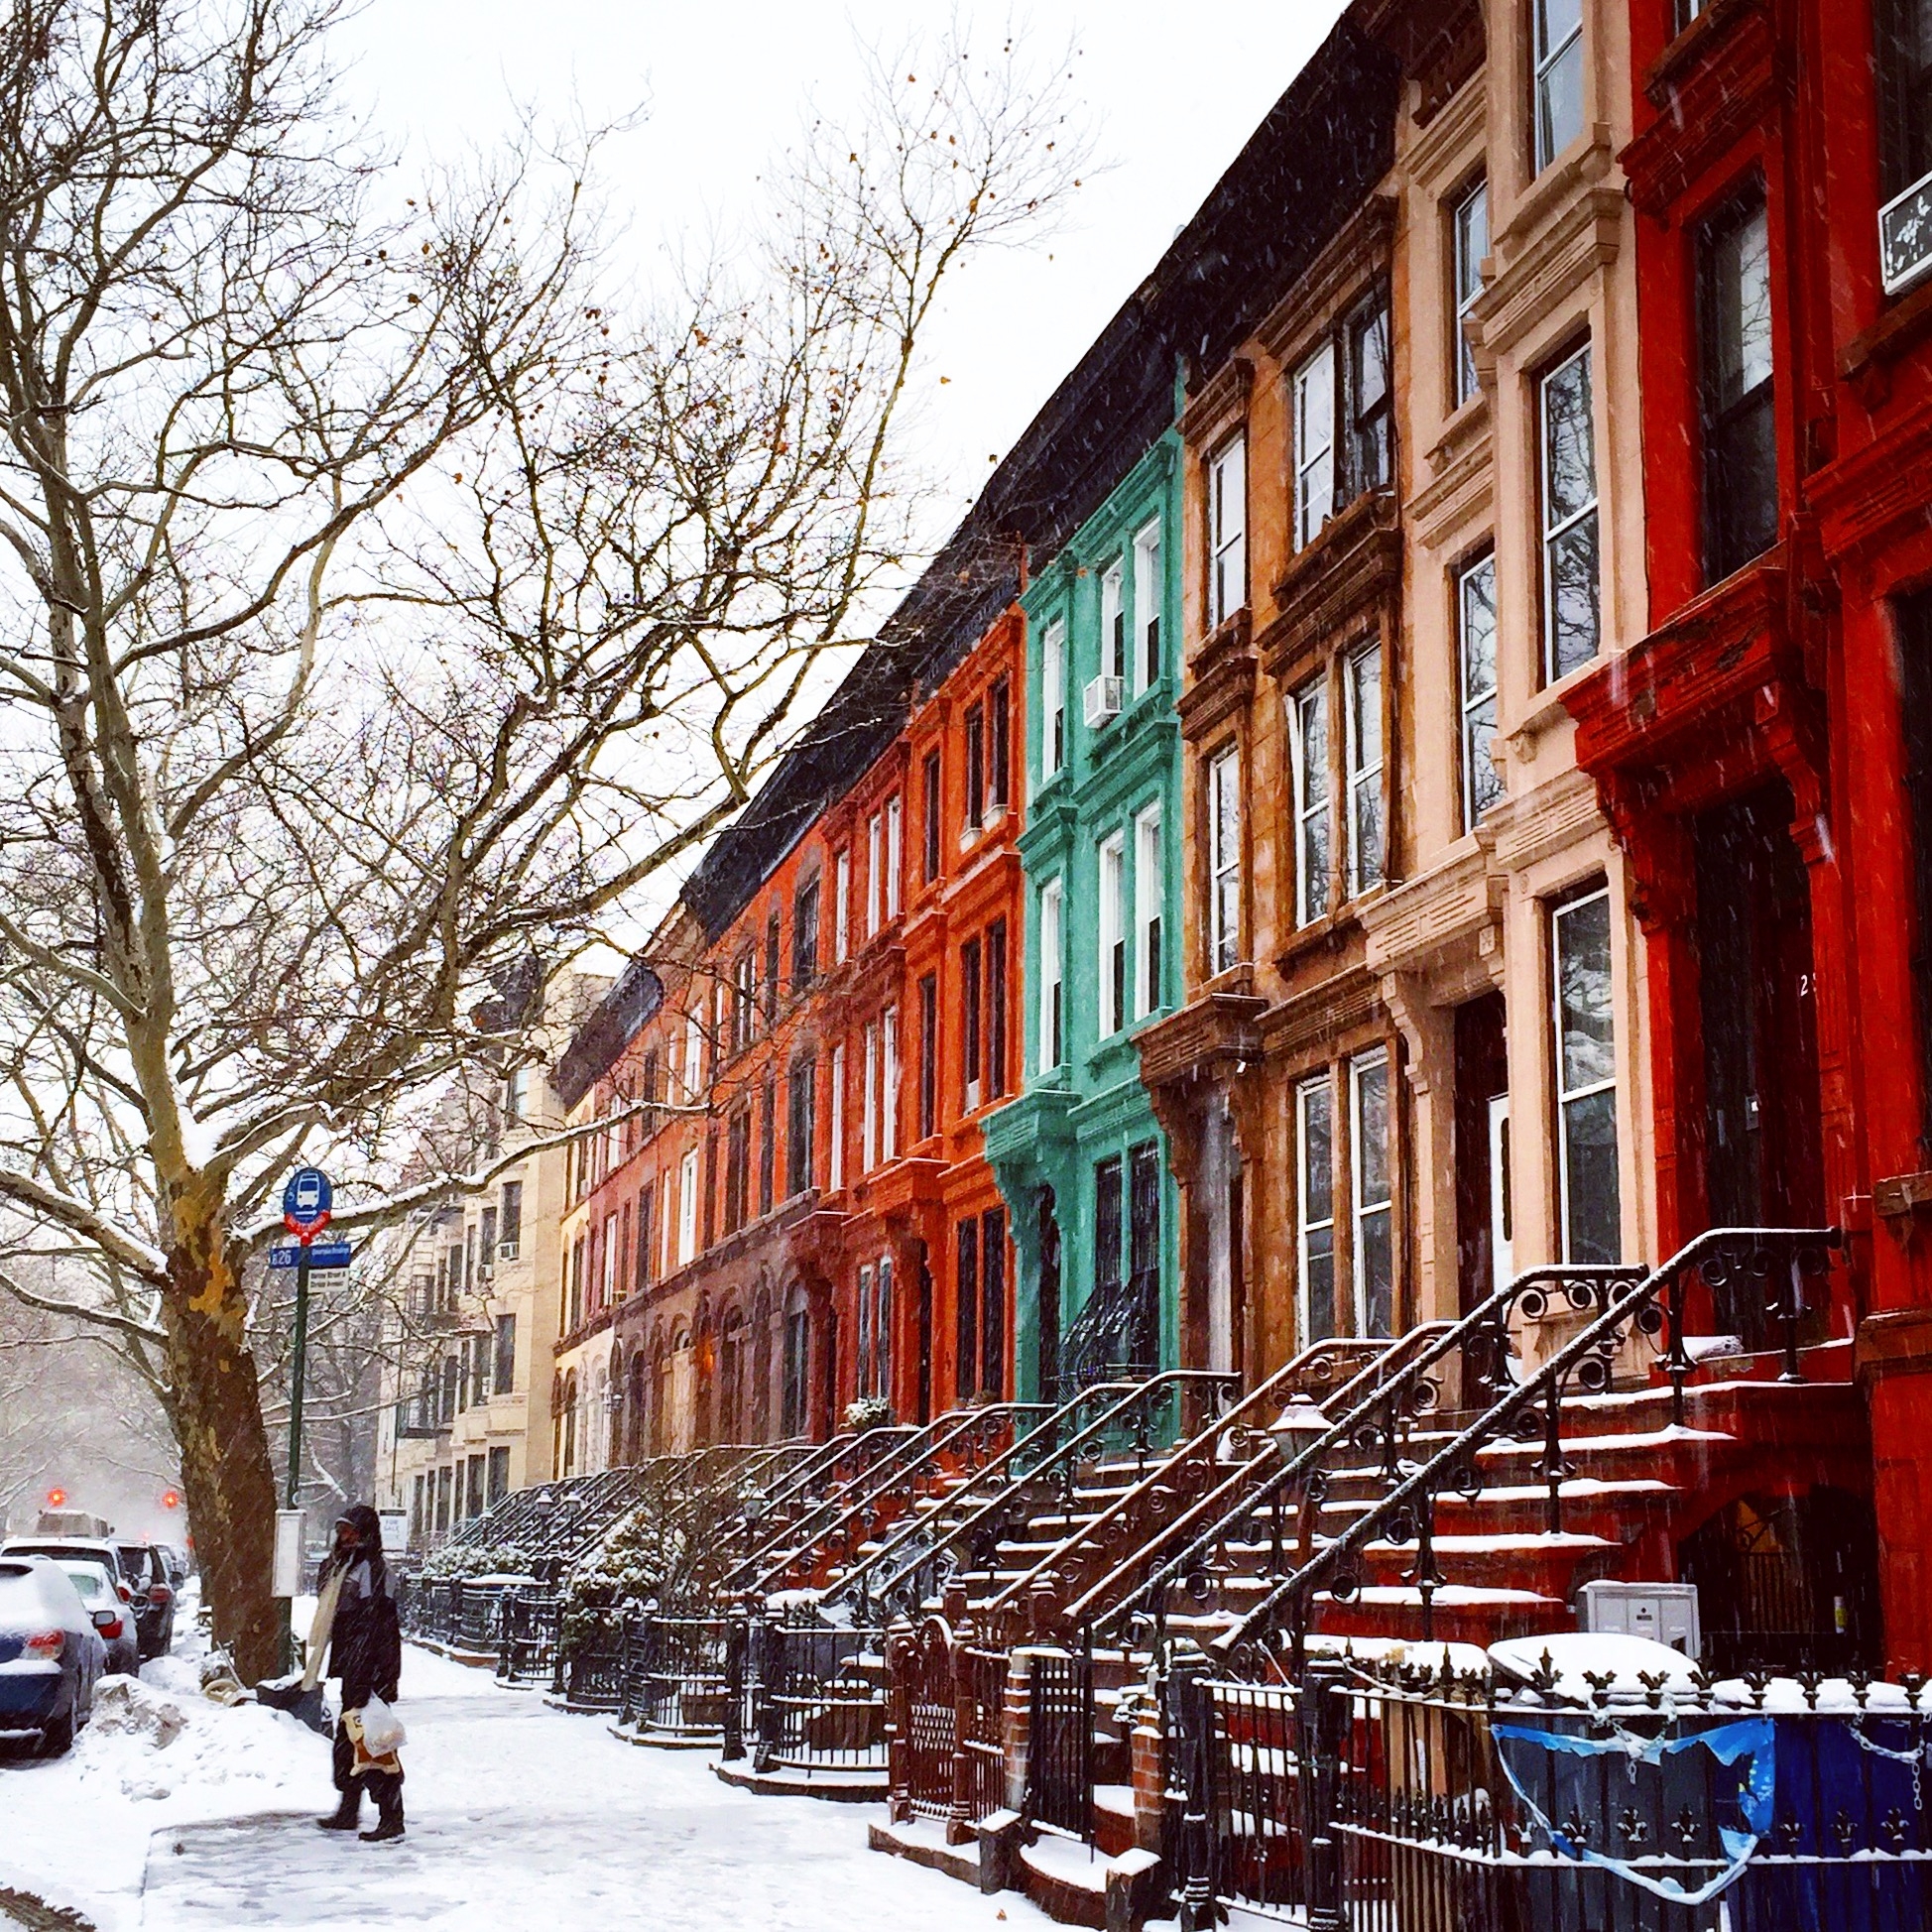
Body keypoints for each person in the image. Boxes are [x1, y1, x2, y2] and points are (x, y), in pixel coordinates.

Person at [310, 1504, 405, 1842]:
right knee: (349, 1741)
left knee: (373, 1742)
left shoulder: (374, 1570)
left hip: (369, 1669)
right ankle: (349, 1807)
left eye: (350, 1530)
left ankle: (391, 1815)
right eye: (341, 1530)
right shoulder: (347, 1567)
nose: (343, 1536)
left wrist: (371, 1673)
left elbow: (377, 1624)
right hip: (354, 1665)